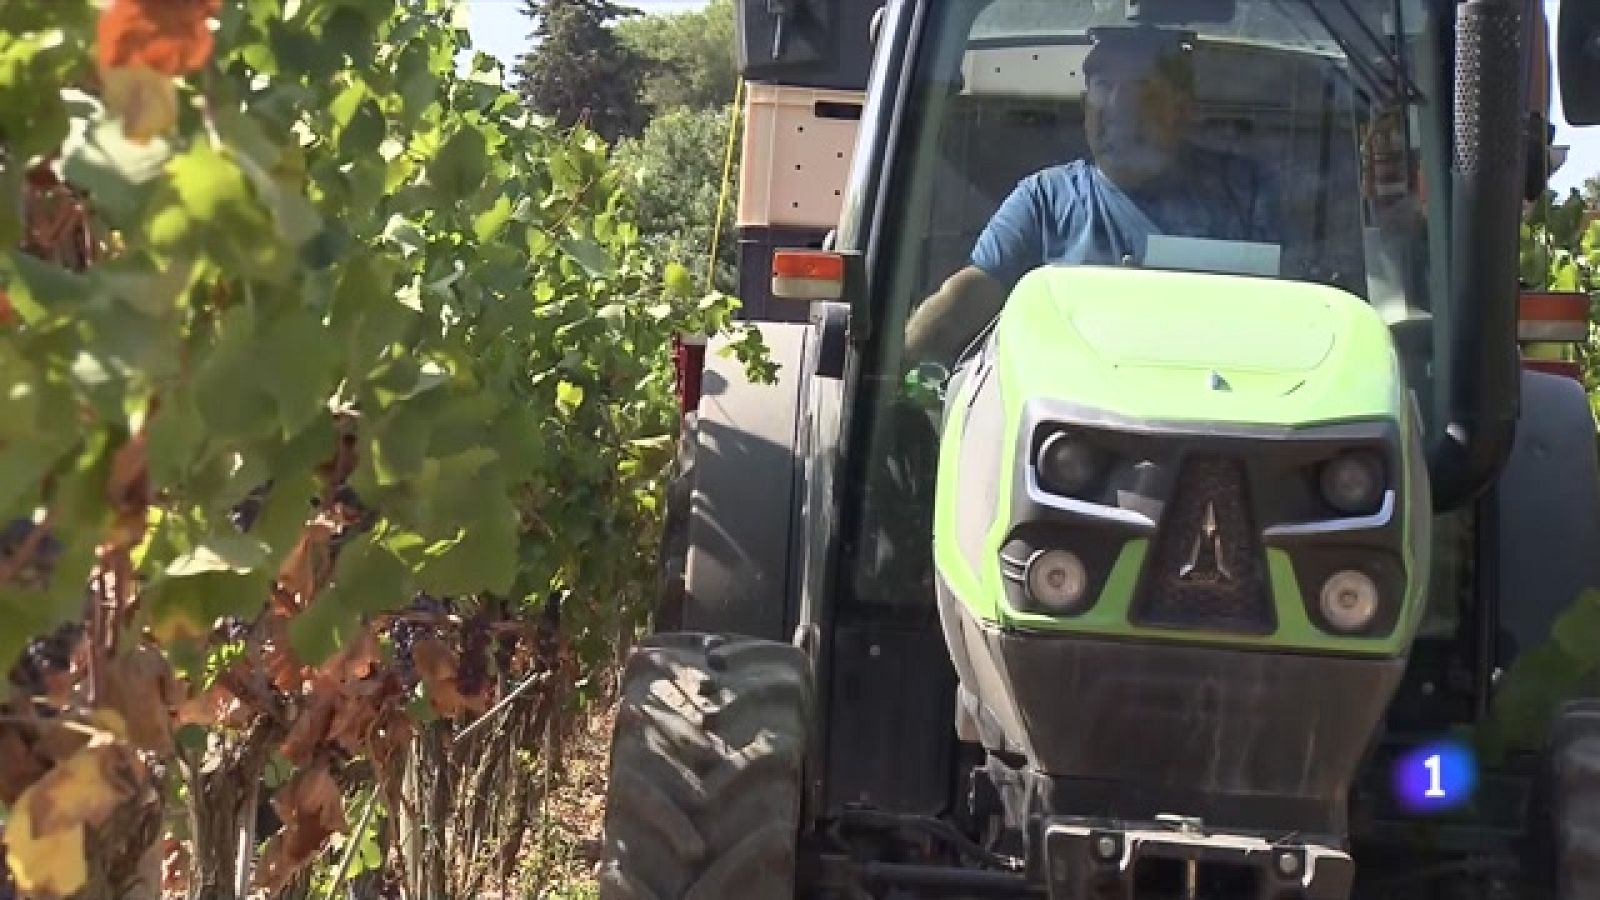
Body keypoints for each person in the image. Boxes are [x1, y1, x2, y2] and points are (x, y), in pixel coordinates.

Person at [902, 28, 1285, 366]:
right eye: (1102, 88)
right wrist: (897, 362)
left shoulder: (1243, 192)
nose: (1116, 109)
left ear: (1182, 111)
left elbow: (1295, 305)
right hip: (1073, 427)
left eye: (1140, 89)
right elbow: (971, 292)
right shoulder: (1045, 199)